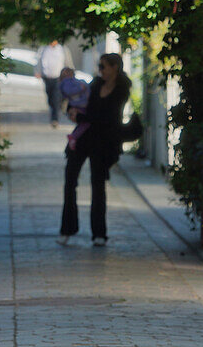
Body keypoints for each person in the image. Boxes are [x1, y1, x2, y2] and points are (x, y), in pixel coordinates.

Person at [58, 53, 131, 247]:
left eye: (103, 66)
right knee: (70, 181)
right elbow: (80, 103)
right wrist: (73, 111)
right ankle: (67, 229)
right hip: (84, 138)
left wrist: (83, 117)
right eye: (99, 66)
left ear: (115, 67)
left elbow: (106, 117)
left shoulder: (122, 90)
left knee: (98, 186)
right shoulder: (95, 84)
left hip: (103, 142)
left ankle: (99, 233)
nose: (100, 70)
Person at [35, 39, 71, 126]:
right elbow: (39, 61)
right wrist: (37, 71)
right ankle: (57, 107)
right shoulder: (44, 49)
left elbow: (68, 62)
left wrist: (70, 73)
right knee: (50, 98)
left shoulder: (62, 49)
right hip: (47, 77)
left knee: (56, 97)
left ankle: (55, 119)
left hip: (58, 78)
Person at [59, 66, 90, 151]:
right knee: (85, 123)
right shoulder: (67, 82)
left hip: (79, 105)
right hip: (79, 105)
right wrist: (81, 88)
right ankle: (74, 137)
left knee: (83, 123)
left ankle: (74, 136)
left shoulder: (70, 82)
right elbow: (70, 91)